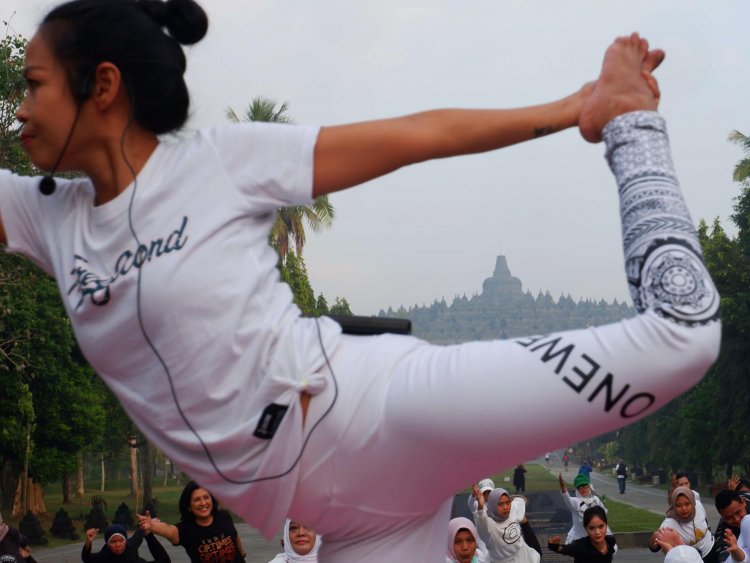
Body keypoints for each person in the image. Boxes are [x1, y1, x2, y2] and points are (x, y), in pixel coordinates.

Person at [0, 0, 721, 556]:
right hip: (343, 521)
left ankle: (634, 124)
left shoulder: (214, 163)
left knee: (683, 337)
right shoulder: (47, 218)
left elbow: (416, 135)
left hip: (381, 416)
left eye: (32, 86)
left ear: (102, 85)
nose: (21, 110)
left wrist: (577, 108)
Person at [137, 481, 245, 563]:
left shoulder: (223, 516)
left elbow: (235, 537)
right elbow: (168, 530)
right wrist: (151, 526)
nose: (203, 503)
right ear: (189, 506)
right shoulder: (186, 530)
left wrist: (243, 554)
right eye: (196, 500)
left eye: (206, 497)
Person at [650, 487, 716, 563]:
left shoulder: (698, 506)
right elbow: (656, 545)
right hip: (691, 559)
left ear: (693, 502)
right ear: (674, 506)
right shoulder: (669, 523)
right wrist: (653, 544)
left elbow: (705, 520)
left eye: (687, 504)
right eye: (679, 505)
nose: (684, 508)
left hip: (711, 549)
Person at [474, 488, 540, 563]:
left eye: (508, 502)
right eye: (500, 504)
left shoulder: (512, 510)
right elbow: (481, 520)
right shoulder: (489, 525)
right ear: (493, 505)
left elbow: (519, 501)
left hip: (523, 556)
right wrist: (480, 507)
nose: (505, 507)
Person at [548, 506, 617, 563]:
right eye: (592, 528)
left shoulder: (610, 540)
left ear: (606, 525)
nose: (597, 532)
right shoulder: (580, 546)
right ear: (585, 528)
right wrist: (554, 546)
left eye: (601, 526)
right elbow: (564, 548)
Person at [559, 473, 611, 543]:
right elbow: (566, 498)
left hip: (596, 538)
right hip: (578, 539)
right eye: (580, 488)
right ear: (577, 490)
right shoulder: (575, 502)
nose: (583, 489)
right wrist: (562, 487)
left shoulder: (596, 500)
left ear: (590, 486)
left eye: (585, 486)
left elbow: (603, 516)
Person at [82, 524, 170, 563]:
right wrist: (88, 542)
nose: (118, 544)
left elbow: (141, 530)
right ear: (108, 544)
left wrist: (148, 533)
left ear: (125, 540)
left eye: (121, 540)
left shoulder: (131, 545)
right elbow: (87, 559)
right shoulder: (104, 556)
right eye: (113, 542)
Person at [712, 490, 748, 562]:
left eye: (738, 512)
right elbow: (724, 559)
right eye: (729, 517)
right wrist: (736, 551)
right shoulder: (724, 536)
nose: (736, 519)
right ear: (722, 516)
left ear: (744, 502)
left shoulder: (747, 497)